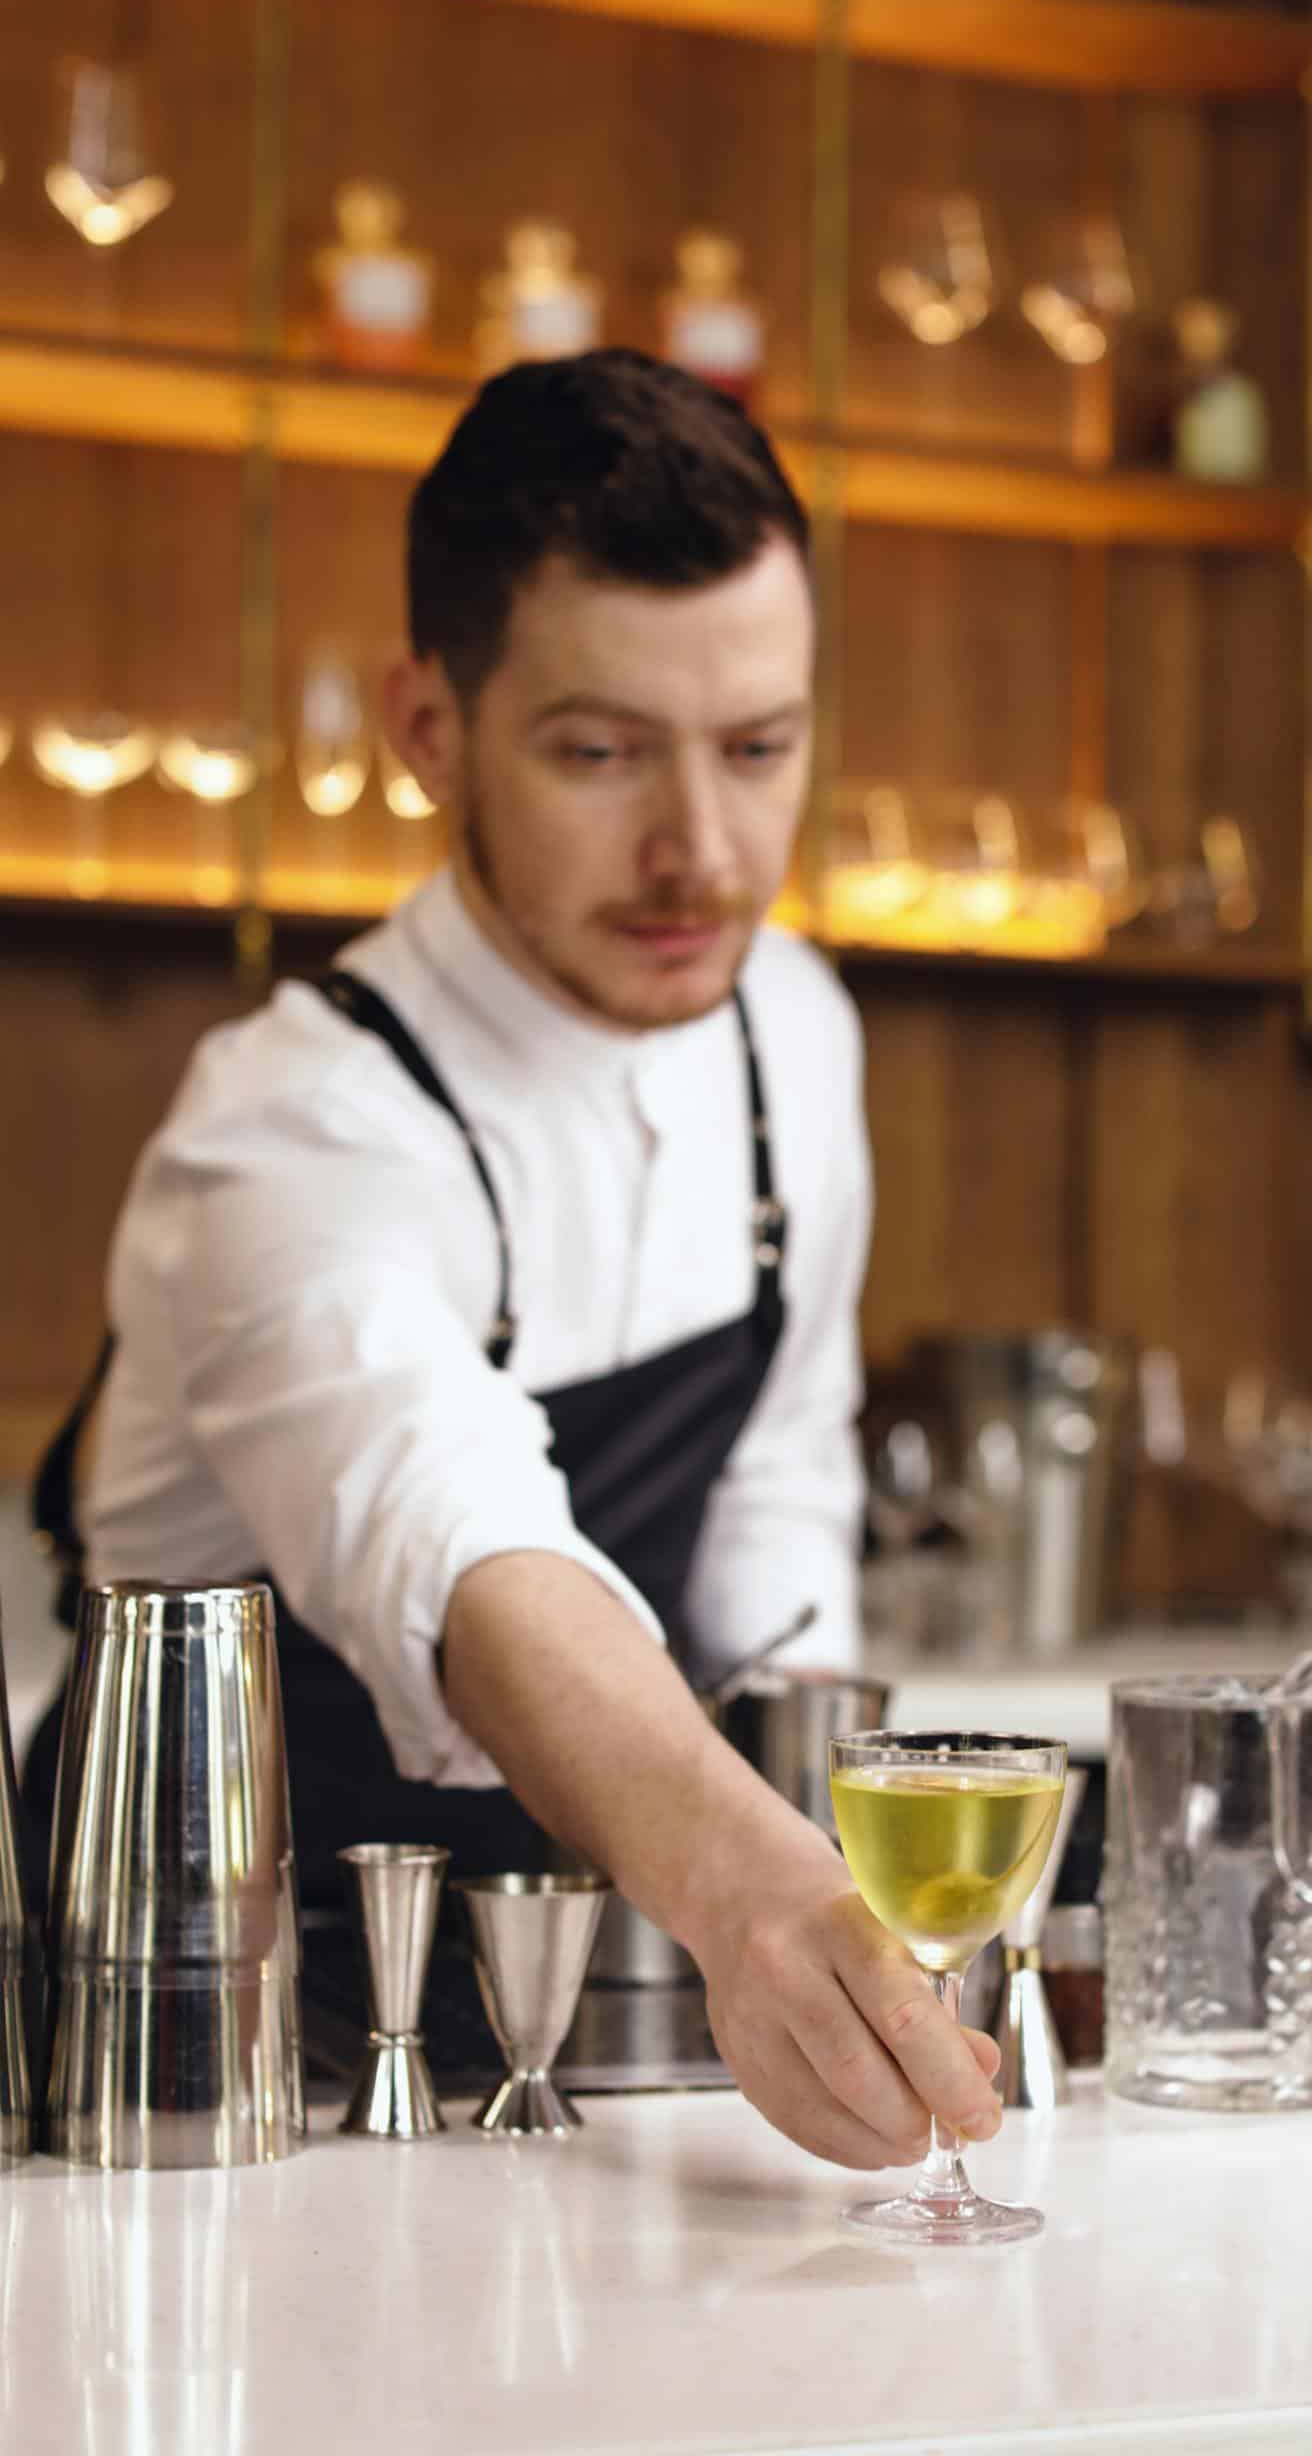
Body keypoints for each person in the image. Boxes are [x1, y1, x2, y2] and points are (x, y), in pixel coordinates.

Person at [26, 351, 1002, 2171]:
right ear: (428, 728)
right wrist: (759, 1890)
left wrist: (837, 1931)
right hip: (204, 2068)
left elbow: (778, 1490)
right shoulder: (292, 1124)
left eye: (760, 749)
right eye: (600, 752)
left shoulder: (792, 1029)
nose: (699, 850)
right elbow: (458, 1540)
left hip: (581, 2036)